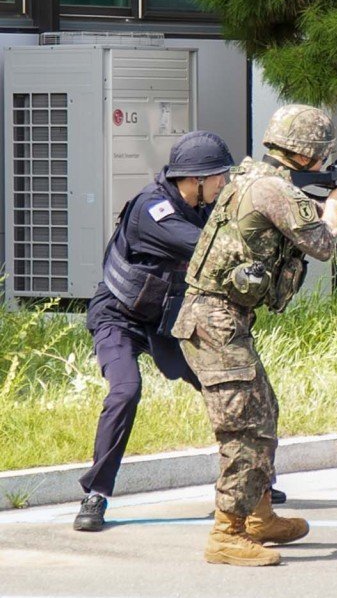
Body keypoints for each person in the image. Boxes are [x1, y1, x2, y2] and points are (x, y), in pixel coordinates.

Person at [171, 105, 337, 566]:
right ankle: (227, 534)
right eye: (321, 155)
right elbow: (321, 241)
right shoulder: (273, 189)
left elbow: (312, 220)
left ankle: (258, 516)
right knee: (245, 428)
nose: (324, 162)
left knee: (263, 412)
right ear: (308, 155)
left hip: (221, 319)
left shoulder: (258, 179)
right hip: (215, 320)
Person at [74, 132, 235, 532]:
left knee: (225, 382)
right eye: (219, 176)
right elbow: (208, 249)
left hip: (165, 321)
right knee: (125, 390)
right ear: (195, 179)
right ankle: (96, 495)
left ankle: (254, 478)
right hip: (119, 317)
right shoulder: (154, 210)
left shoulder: (200, 204)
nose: (224, 184)